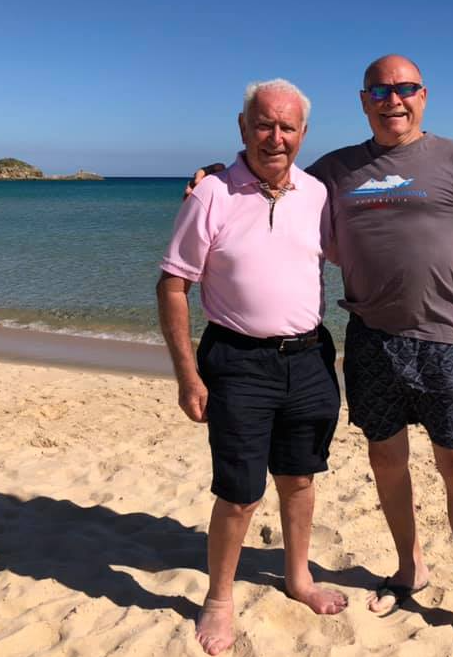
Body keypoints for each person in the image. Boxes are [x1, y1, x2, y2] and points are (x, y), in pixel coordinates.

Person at [187, 55, 453, 656]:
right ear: (364, 101)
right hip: (369, 340)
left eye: (405, 89)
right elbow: (270, 169)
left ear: (423, 95)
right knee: (387, 462)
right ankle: (409, 567)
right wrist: (213, 172)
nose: (394, 100)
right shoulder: (337, 169)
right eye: (380, 91)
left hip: (443, 342)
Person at [158, 78, 347, 657]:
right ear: (243, 127)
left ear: (303, 133)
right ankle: (219, 598)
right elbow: (172, 286)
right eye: (264, 124)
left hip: (310, 358)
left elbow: (358, 249)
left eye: (287, 127)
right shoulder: (211, 194)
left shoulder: (317, 194)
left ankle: (298, 577)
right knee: (239, 493)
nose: (275, 137)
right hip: (237, 362)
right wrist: (187, 374)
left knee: (300, 479)